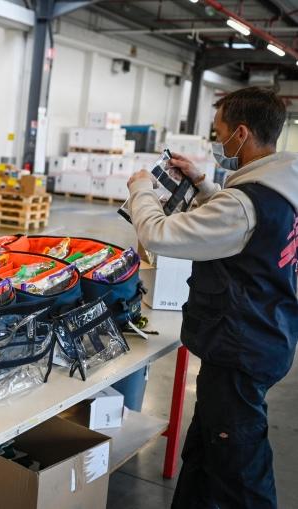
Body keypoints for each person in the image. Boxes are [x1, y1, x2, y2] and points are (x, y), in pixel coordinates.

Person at [126, 86, 298, 508]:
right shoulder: (283, 185)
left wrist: (141, 190)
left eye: (220, 132)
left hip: (239, 351)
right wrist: (202, 183)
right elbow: (243, 222)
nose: (218, 142)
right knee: (204, 453)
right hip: (267, 333)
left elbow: (158, 235)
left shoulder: (244, 204)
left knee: (241, 472)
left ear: (241, 133)